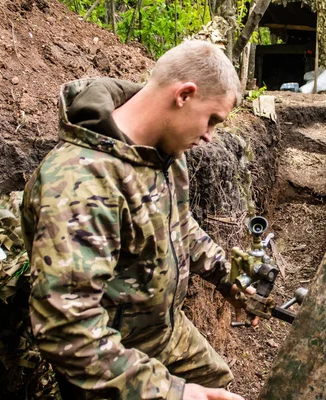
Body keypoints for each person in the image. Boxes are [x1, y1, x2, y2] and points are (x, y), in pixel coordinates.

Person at [21, 40, 249, 400]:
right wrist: (176, 394)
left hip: (164, 332)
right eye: (212, 120)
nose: (209, 136)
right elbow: (66, 327)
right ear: (184, 95)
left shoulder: (164, 152)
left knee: (215, 380)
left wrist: (228, 276)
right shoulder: (81, 183)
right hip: (110, 359)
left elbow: (179, 224)